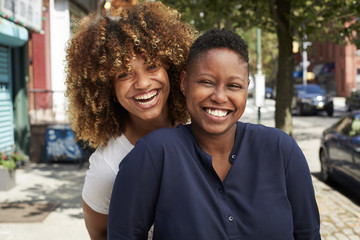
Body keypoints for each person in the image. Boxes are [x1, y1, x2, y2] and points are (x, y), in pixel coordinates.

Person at [108, 28, 321, 239]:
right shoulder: (154, 154)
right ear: (184, 83)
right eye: (206, 82)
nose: (219, 97)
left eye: (234, 85)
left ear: (246, 88)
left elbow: (308, 234)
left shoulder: (281, 150)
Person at [64, 2, 197, 239]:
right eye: (124, 74)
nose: (143, 83)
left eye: (152, 66)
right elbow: (100, 235)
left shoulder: (199, 131)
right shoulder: (107, 168)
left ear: (173, 69)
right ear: (107, 89)